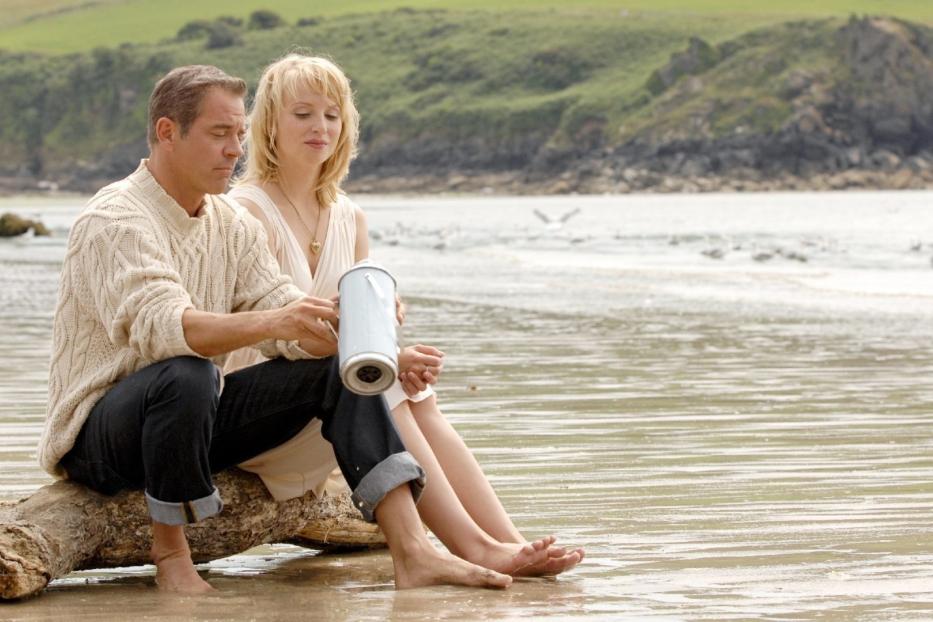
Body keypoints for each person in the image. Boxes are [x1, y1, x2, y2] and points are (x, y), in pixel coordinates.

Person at [40, 64, 556, 595]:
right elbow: (162, 328)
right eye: (219, 134)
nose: (234, 150)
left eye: (239, 134)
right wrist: (277, 320)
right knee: (187, 372)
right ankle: (172, 555)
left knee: (343, 372)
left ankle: (414, 551)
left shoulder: (228, 223)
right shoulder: (116, 217)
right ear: (168, 132)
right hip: (102, 437)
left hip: (195, 423)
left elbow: (283, 310)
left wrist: (354, 324)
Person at [225, 54, 584, 577]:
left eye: (332, 114)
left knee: (413, 390)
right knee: (384, 379)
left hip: (338, 410)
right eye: (302, 114)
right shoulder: (245, 210)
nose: (320, 127)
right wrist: (389, 358)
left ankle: (507, 540)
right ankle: (476, 549)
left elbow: (359, 326)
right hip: (263, 412)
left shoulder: (350, 216)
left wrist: (389, 341)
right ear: (269, 125)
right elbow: (285, 331)